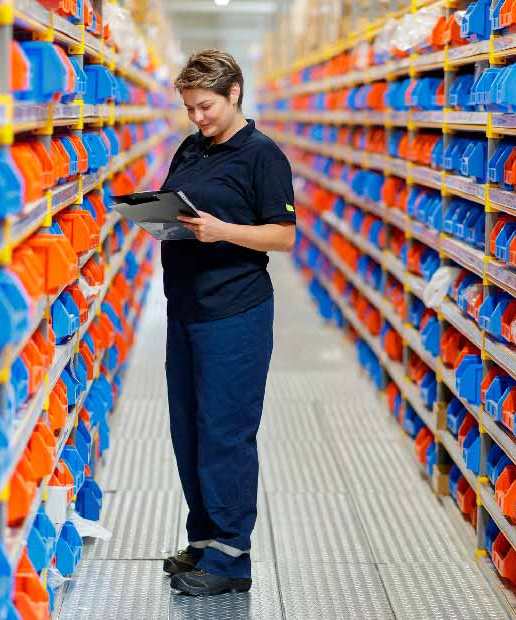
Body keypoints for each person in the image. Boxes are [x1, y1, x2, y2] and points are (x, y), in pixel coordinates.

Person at [158, 49, 296, 597]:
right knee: (187, 429)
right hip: (185, 305)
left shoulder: (262, 156)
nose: (198, 118)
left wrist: (223, 231)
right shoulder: (191, 147)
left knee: (226, 432)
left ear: (235, 93)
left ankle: (232, 557)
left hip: (234, 312)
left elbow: (282, 236)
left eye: (206, 106)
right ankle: (204, 539)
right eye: (190, 107)